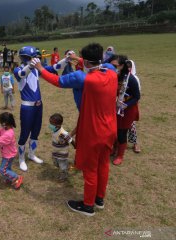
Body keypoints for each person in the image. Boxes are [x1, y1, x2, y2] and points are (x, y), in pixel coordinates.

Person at [32, 43, 118, 216]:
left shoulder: (83, 78)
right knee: (103, 164)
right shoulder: (111, 72)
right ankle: (99, 199)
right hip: (110, 129)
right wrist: (75, 58)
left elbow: (57, 81)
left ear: (85, 62)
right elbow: (98, 64)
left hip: (93, 132)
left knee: (90, 169)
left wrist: (40, 68)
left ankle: (87, 206)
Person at [13, 46, 58, 171]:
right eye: (33, 57)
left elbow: (54, 68)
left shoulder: (36, 68)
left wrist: (66, 59)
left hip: (39, 105)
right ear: (27, 58)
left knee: (36, 132)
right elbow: (22, 74)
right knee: (24, 133)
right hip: (27, 107)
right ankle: (21, 158)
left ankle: (31, 154)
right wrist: (31, 66)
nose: (36, 59)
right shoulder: (18, 69)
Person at [111, 55, 140, 166]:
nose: (112, 67)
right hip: (115, 108)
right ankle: (114, 148)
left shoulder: (131, 79)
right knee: (114, 131)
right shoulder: (115, 76)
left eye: (115, 65)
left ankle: (120, 155)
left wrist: (126, 105)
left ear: (122, 65)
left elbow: (137, 96)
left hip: (127, 110)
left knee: (122, 132)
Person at [0, 112, 23, 189]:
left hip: (8, 155)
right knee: (7, 168)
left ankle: (16, 178)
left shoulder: (8, 134)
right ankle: (9, 178)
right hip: (7, 154)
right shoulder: (5, 129)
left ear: (4, 123)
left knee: (3, 170)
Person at [49, 113, 75, 182]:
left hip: (62, 153)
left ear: (58, 125)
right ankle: (65, 166)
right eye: (50, 122)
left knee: (62, 165)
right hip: (55, 152)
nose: (50, 125)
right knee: (55, 163)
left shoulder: (63, 133)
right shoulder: (55, 130)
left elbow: (70, 140)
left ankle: (64, 175)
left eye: (51, 123)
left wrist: (75, 146)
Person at [127, 60, 141, 153]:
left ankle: (135, 143)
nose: (127, 68)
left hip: (130, 104)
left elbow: (137, 94)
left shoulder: (135, 78)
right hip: (120, 104)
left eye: (129, 67)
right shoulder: (121, 76)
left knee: (131, 124)